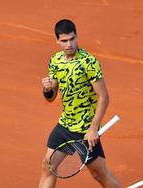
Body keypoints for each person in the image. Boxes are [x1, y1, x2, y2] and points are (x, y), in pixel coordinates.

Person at [39, 19, 121, 188]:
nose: (69, 44)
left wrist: (93, 129)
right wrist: (47, 89)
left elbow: (104, 97)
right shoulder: (55, 61)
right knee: (48, 167)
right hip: (65, 126)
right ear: (57, 41)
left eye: (72, 39)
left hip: (85, 130)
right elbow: (51, 97)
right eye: (64, 40)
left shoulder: (88, 62)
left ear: (76, 37)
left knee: (99, 174)